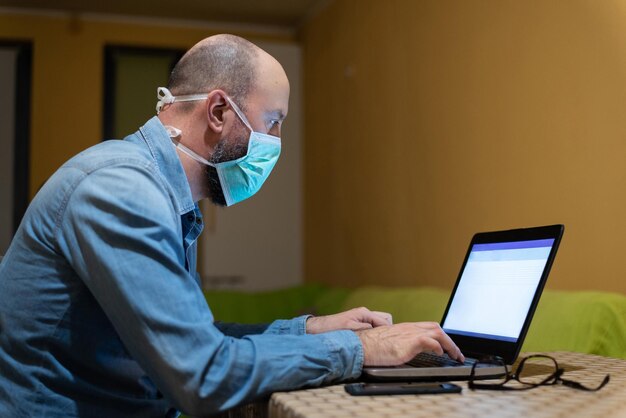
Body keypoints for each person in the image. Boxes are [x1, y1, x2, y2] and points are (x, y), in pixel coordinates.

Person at [0, 34, 463, 417]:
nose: (276, 143)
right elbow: (203, 374)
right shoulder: (121, 191)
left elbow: (194, 339)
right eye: (273, 122)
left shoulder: (159, 192)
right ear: (220, 112)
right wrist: (362, 350)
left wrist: (310, 330)